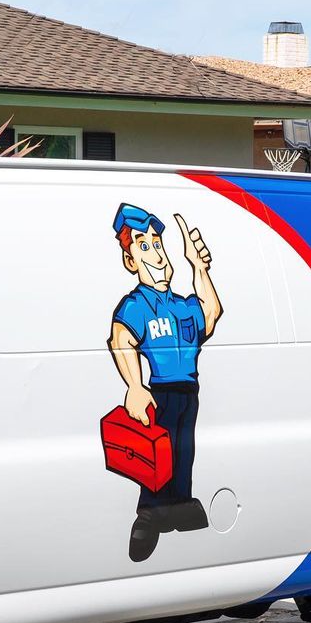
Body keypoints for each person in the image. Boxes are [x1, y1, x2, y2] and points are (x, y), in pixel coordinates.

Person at [108, 203, 222, 562]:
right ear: (131, 261)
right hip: (160, 392)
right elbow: (121, 338)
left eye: (158, 244)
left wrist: (199, 267)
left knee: (184, 451)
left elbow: (211, 313)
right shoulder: (138, 304)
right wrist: (135, 385)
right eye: (145, 246)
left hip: (189, 391)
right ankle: (149, 514)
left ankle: (180, 505)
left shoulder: (181, 305)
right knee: (158, 453)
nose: (157, 254)